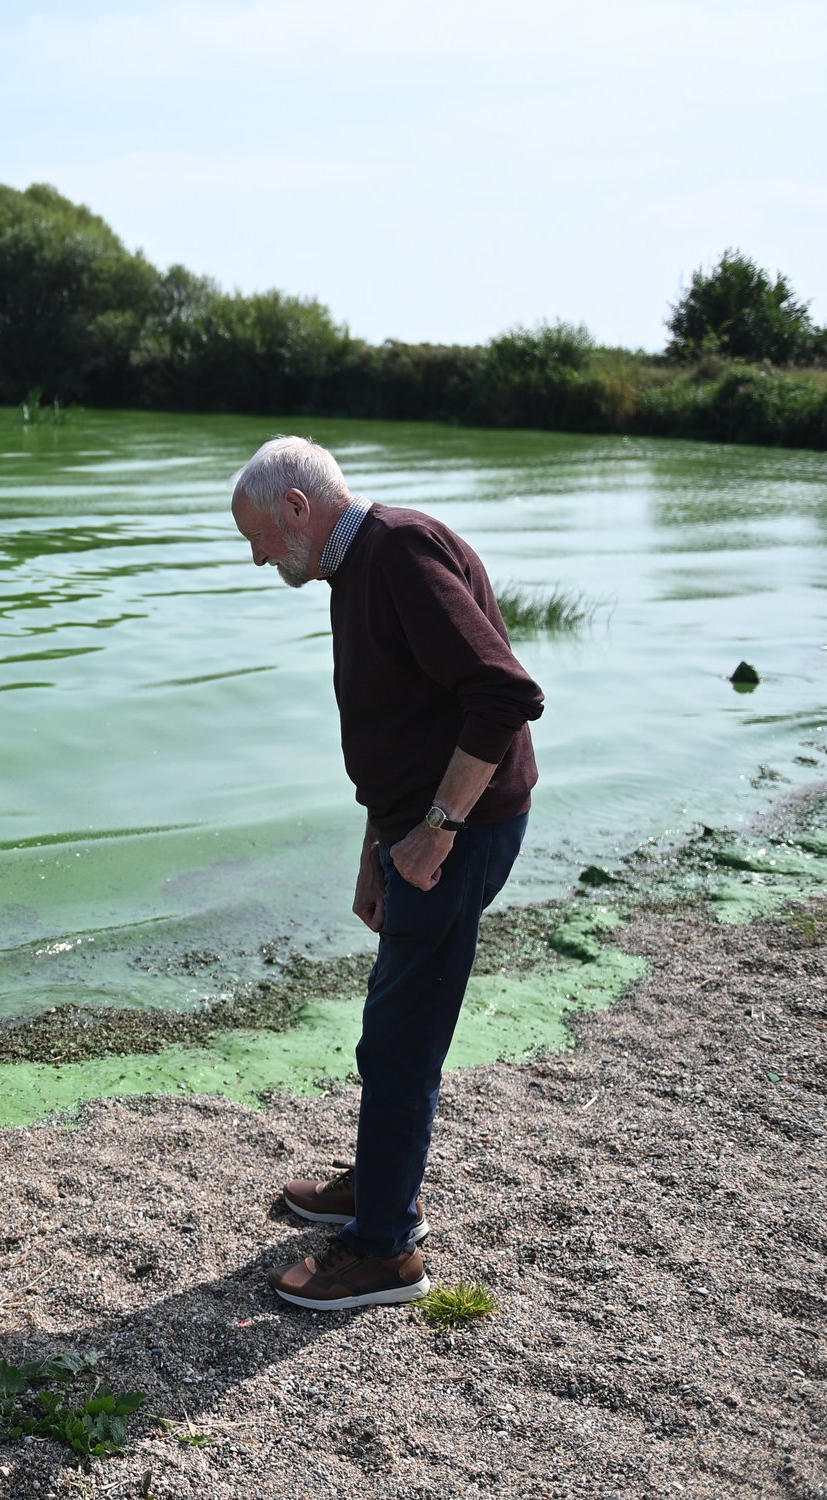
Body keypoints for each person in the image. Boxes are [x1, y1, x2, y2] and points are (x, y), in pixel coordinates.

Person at [227, 436, 544, 1310]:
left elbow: (503, 694)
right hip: (413, 831)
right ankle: (379, 1185)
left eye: (259, 537)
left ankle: (385, 1252)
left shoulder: (397, 552)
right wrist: (377, 845)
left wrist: (437, 831)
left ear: (297, 507)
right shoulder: (357, 566)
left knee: (402, 1036)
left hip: (459, 834)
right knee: (390, 1021)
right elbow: (400, 721)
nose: (258, 559)